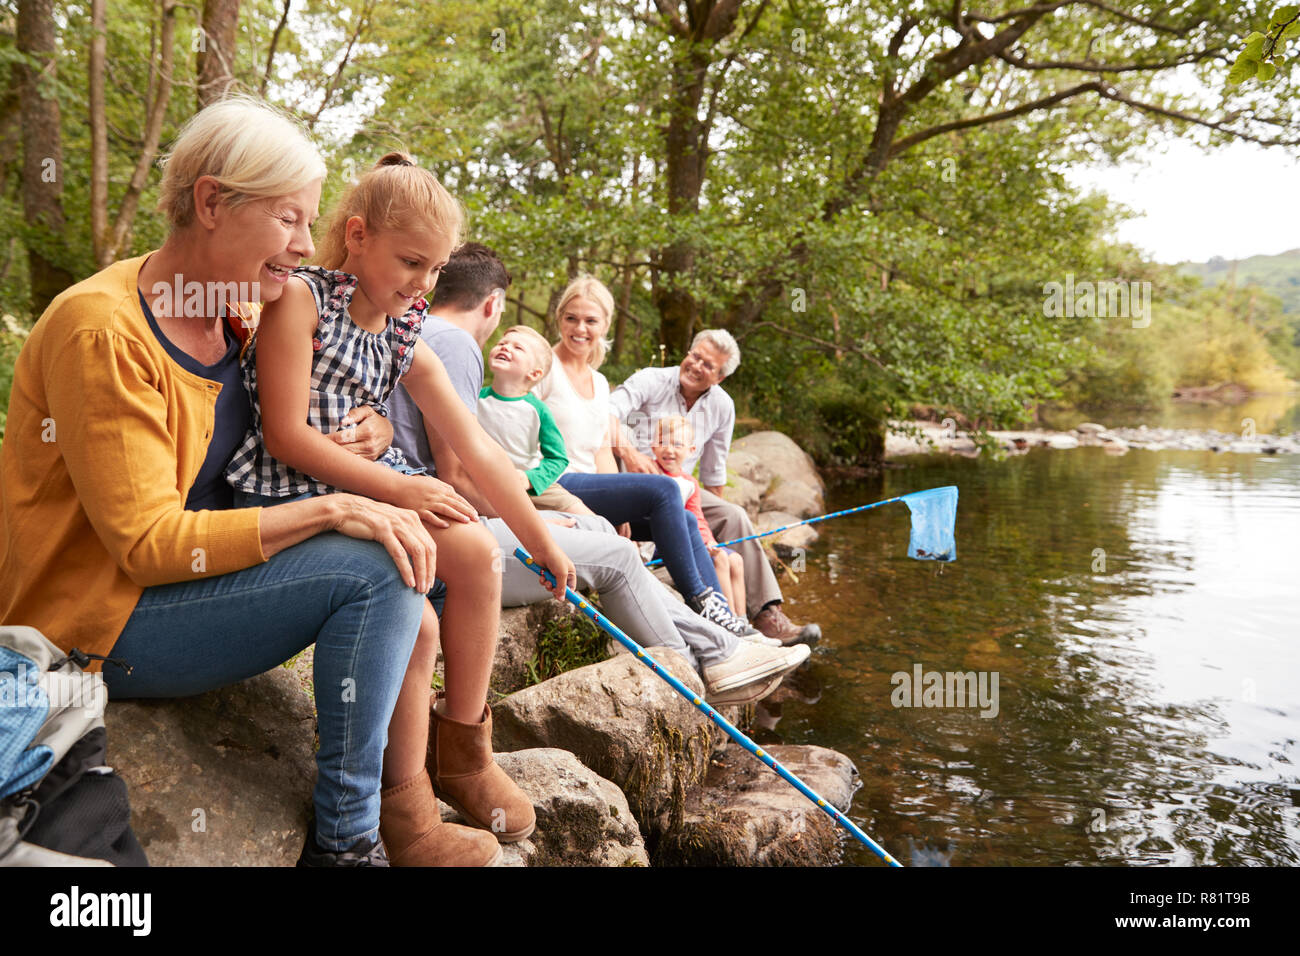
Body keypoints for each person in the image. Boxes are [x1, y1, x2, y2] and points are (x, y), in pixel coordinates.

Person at [0, 96, 442, 867]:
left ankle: (412, 806)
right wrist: (334, 508)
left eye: (309, 223)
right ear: (210, 202)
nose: (308, 246)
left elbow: (299, 418)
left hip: (175, 592)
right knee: (378, 573)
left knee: (400, 571)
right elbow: (146, 544)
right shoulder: (102, 330)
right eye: (288, 220)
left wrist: (370, 431)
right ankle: (347, 846)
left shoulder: (234, 308)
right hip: (95, 620)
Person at [226, 153, 576, 866]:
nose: (421, 284)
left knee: (478, 549)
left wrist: (541, 540)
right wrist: (398, 487)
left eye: (435, 271)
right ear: (356, 236)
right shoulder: (301, 300)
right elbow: (288, 436)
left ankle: (465, 754)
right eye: (410, 261)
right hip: (292, 493)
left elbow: (473, 444)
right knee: (415, 619)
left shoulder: (402, 326)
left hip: (364, 484)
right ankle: (406, 810)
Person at [388, 246, 806, 705]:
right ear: (492, 305)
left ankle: (721, 639)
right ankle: (694, 668)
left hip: (459, 519)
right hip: (452, 540)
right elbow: (458, 475)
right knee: (622, 552)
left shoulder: (418, 330)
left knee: (604, 526)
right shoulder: (457, 344)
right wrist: (536, 524)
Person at [533, 276, 757, 638]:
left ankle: (723, 619)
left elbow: (601, 448)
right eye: (571, 318)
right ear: (559, 318)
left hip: (588, 486)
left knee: (684, 519)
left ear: (605, 325)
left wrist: (616, 508)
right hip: (555, 483)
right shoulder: (542, 367)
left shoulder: (598, 381)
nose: (580, 328)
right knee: (664, 490)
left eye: (590, 321)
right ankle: (701, 599)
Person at [609, 329, 822, 647]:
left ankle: (766, 616)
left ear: (720, 377)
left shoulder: (723, 406)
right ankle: (724, 614)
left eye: (707, 365)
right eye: (694, 355)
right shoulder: (650, 379)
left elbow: (714, 470)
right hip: (635, 479)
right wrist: (630, 453)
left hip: (682, 486)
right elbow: (606, 412)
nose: (695, 365)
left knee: (733, 514)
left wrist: (708, 537)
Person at [476, 324, 594, 516]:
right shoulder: (475, 398)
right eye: (502, 343)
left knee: (589, 518)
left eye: (518, 348)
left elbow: (558, 458)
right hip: (484, 484)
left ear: (534, 373)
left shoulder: (539, 410)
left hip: (530, 485)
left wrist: (529, 479)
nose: (505, 347)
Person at [650, 415, 746, 616]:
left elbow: (697, 518)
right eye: (662, 443)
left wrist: (709, 541)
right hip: (663, 544)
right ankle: (727, 615)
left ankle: (743, 619)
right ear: (652, 446)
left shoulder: (689, 483)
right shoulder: (651, 474)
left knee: (735, 559)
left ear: (691, 450)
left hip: (691, 539)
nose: (669, 449)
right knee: (720, 559)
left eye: (677, 444)